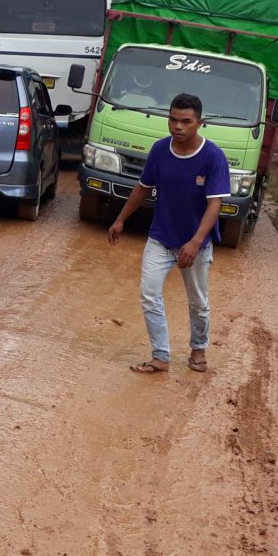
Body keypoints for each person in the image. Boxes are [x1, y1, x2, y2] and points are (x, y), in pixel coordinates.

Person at [107, 92, 232, 374]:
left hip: (195, 244)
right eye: (173, 120)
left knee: (198, 302)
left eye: (186, 122)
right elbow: (143, 187)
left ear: (200, 123)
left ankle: (198, 349)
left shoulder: (213, 157)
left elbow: (215, 204)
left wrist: (196, 241)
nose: (178, 127)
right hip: (160, 238)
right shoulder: (160, 150)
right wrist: (121, 219)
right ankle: (160, 356)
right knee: (149, 294)